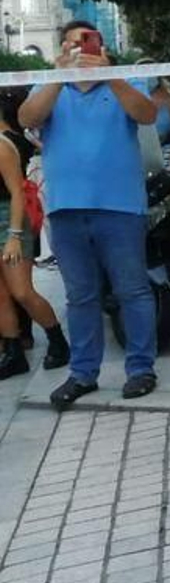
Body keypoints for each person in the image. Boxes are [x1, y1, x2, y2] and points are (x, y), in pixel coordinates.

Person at [19, 21, 162, 407]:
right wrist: (58, 74)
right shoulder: (50, 87)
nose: (80, 50)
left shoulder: (124, 81)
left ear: (102, 46)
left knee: (132, 289)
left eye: (87, 43)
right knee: (80, 295)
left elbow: (146, 114)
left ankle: (141, 369)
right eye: (70, 44)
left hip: (120, 207)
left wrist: (110, 74)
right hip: (67, 209)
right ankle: (83, 374)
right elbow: (27, 119)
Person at [0, 88, 69, 379]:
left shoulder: (3, 145)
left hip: (8, 222)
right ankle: (14, 352)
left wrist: (14, 235)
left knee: (22, 291)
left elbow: (16, 193)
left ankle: (58, 341)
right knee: (2, 295)